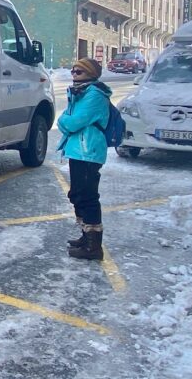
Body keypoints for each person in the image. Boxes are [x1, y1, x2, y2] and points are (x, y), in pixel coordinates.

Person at [57, 58, 112, 260]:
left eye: (79, 72)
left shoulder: (94, 95)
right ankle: (86, 236)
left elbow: (71, 122)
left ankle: (93, 247)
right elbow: (67, 118)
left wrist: (64, 121)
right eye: (73, 71)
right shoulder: (80, 93)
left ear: (91, 74)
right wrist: (66, 120)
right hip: (78, 150)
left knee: (87, 196)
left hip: (88, 151)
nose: (74, 74)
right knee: (78, 194)